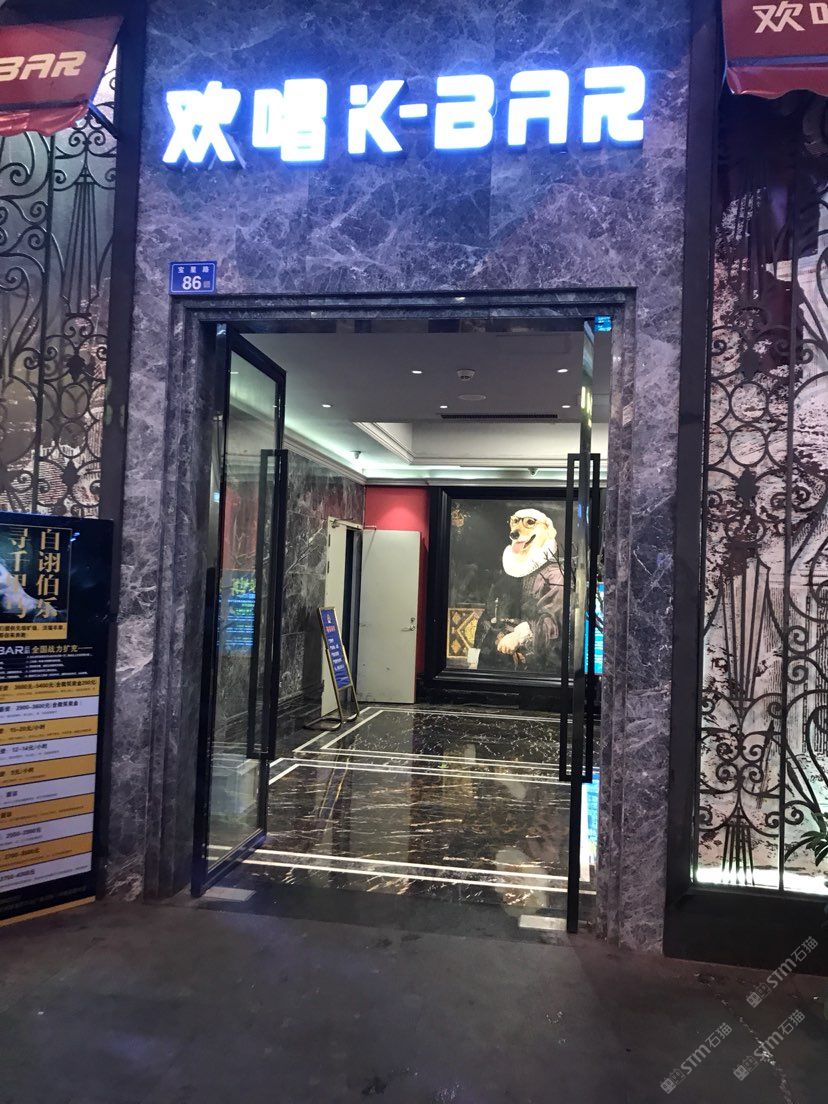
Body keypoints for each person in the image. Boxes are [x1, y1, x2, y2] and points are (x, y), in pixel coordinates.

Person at [471, 508, 564, 673]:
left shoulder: (555, 575)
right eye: (515, 521)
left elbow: (553, 623)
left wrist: (519, 635)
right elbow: (489, 614)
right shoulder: (506, 574)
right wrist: (477, 653)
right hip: (495, 662)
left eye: (530, 522)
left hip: (532, 668)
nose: (516, 530)